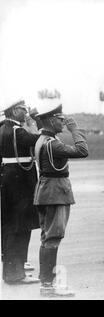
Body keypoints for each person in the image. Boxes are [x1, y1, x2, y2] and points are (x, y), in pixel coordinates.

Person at [33, 96, 88, 297]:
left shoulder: (44, 140)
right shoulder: (52, 144)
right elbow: (83, 150)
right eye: (59, 118)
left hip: (47, 191)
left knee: (47, 239)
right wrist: (75, 130)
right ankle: (48, 286)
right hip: (55, 193)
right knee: (52, 239)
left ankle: (46, 284)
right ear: (49, 120)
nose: (62, 121)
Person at [0, 98, 40, 284]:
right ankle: (16, 274)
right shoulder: (19, 131)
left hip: (8, 180)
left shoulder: (2, 129)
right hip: (21, 183)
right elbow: (40, 139)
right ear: (15, 111)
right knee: (21, 227)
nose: (26, 112)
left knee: (10, 227)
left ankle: (14, 268)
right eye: (24, 109)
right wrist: (34, 122)